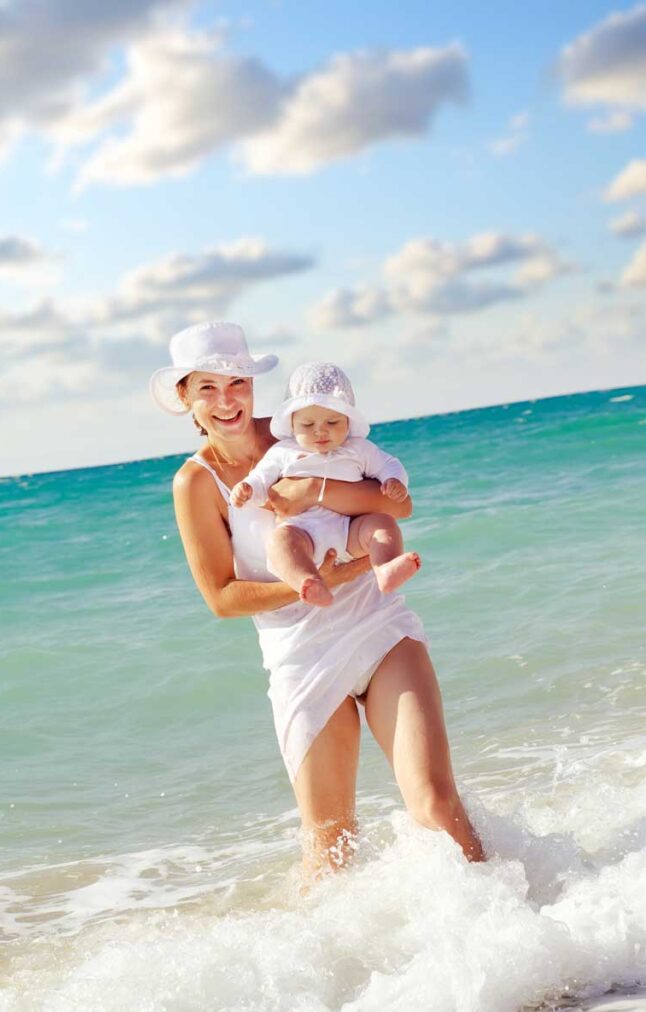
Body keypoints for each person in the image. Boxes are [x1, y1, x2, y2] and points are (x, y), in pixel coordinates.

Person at [150, 321, 485, 877]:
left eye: (236, 382)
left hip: (376, 625)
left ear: (254, 383)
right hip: (300, 656)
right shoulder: (196, 483)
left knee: (435, 804)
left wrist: (317, 491)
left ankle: (522, 928)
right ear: (185, 396)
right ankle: (331, 963)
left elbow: (396, 507)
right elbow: (221, 597)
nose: (227, 399)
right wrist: (313, 584)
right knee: (332, 850)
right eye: (207, 387)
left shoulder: (301, 427)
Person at [230, 362, 421, 607]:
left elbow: (388, 464)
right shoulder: (283, 452)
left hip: (350, 530)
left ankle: (384, 568)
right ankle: (308, 581)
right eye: (308, 425)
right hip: (302, 531)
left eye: (332, 423)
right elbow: (261, 480)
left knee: (382, 525)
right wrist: (247, 490)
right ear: (292, 424)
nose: (320, 432)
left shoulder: (358, 449)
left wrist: (393, 480)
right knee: (280, 543)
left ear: (349, 421)